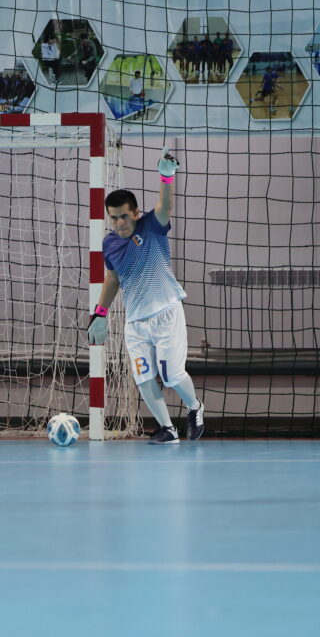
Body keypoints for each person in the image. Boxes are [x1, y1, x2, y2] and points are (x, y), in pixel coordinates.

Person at [87, 150, 204, 444]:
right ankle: (167, 429)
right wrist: (100, 313)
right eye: (114, 218)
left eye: (124, 216)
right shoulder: (109, 244)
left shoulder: (152, 226)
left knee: (172, 375)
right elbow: (113, 277)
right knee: (143, 377)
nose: (119, 223)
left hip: (166, 312)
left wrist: (166, 175)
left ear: (136, 213)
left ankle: (194, 407)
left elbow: (165, 205)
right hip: (136, 323)